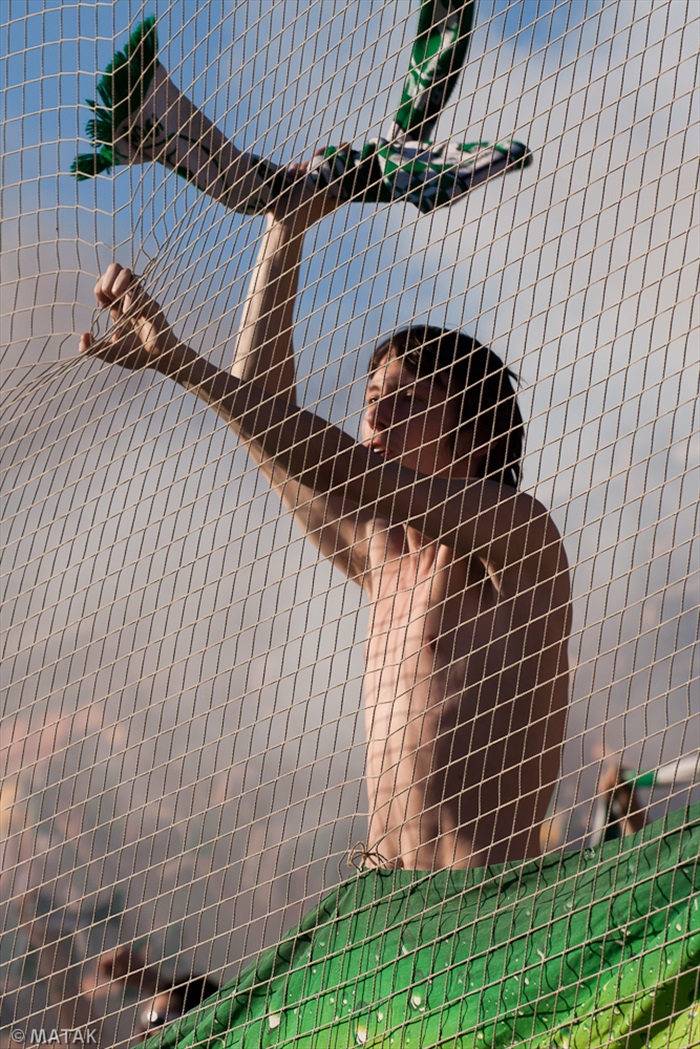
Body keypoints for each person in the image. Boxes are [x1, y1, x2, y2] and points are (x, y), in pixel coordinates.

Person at [79, 174, 572, 872]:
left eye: (405, 400)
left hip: (487, 916)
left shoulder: (518, 540)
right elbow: (270, 432)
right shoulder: (383, 556)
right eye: (371, 396)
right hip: (384, 911)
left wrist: (178, 359)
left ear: (476, 431)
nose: (374, 415)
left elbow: (334, 460)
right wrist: (287, 231)